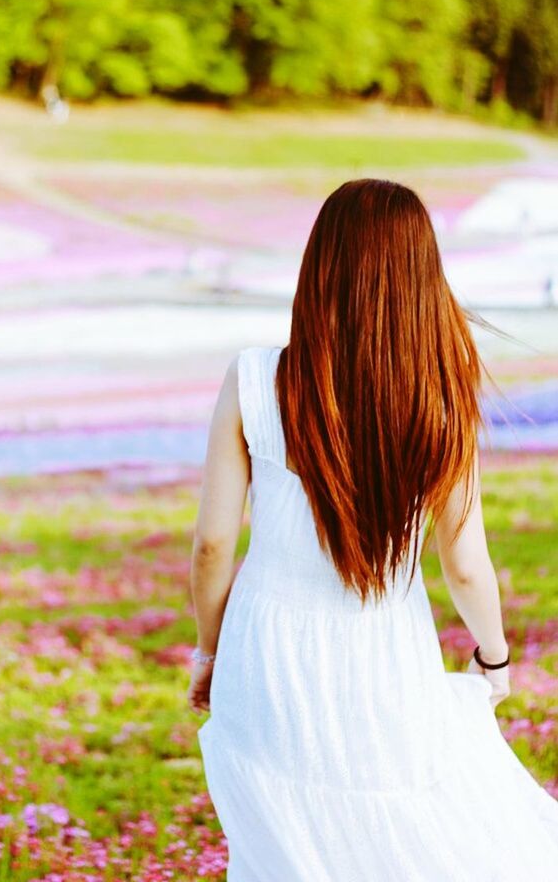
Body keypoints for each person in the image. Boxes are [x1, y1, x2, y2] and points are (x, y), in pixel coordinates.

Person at [188, 179, 558, 881]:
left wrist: (210, 651)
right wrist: (493, 656)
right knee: (387, 824)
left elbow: (211, 545)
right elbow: (465, 563)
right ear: (421, 277)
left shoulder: (254, 379)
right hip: (383, 647)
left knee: (279, 838)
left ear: (319, 268)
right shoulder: (440, 396)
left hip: (264, 643)